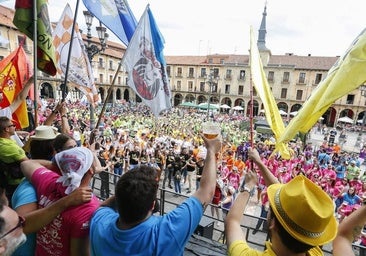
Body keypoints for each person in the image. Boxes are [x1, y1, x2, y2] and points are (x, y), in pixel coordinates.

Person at [89, 133, 222, 255]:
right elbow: (207, 192)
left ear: (119, 200)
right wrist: (211, 150)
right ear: (153, 205)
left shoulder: (100, 223)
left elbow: (102, 207)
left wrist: (126, 192)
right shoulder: (166, 232)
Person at [225, 147, 337, 256]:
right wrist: (259, 162)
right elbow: (278, 189)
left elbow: (232, 221)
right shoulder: (315, 251)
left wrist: (248, 186)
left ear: (273, 224)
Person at [20, 147, 102, 256]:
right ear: (91, 170)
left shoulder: (49, 180)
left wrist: (59, 164)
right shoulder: (88, 206)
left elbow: (26, 164)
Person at [0, 116, 29, 204]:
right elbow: (28, 163)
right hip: (18, 183)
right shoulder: (8, 147)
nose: (15, 127)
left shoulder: (5, 141)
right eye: (13, 125)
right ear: (7, 129)